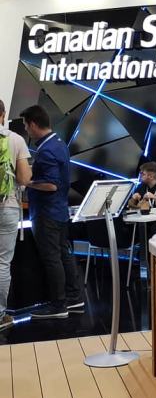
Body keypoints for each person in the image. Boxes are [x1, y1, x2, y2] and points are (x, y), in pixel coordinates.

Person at [21, 105, 84, 319]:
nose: (26, 130)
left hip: (46, 213)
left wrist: (27, 182)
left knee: (52, 258)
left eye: (26, 125)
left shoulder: (46, 150)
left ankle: (58, 306)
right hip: (59, 211)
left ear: (33, 124)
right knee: (63, 254)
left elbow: (51, 184)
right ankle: (74, 298)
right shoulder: (59, 144)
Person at [0, 100, 32, 330]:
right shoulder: (15, 139)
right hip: (7, 205)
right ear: (3, 115)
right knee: (2, 263)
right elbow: (24, 178)